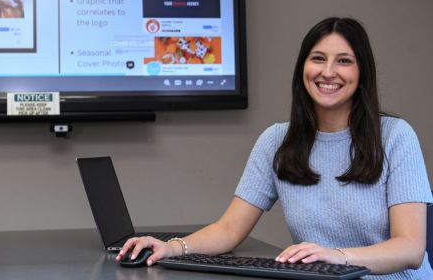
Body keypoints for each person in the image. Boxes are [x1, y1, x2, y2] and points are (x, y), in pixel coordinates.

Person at [116, 17, 433, 279]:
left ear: (361, 75)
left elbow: (410, 248)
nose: (328, 72)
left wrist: (337, 257)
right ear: (303, 70)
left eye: (344, 62)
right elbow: (228, 229)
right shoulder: (277, 141)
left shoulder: (395, 136)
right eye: (318, 59)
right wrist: (171, 247)